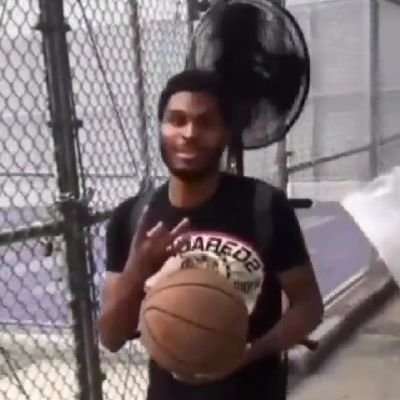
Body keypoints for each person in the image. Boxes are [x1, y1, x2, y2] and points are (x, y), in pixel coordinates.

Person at [97, 69, 323, 400]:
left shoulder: (263, 206)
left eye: (205, 122)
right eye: (177, 120)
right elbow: (111, 338)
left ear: (226, 133)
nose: (189, 133)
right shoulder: (133, 219)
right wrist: (135, 272)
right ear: (161, 129)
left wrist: (247, 354)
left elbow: (308, 306)